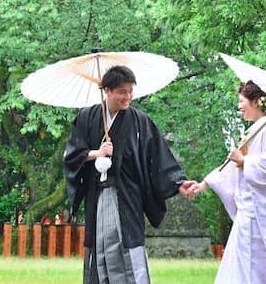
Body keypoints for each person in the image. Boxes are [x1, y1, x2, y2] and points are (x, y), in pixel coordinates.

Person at [63, 64, 193, 284]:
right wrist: (97, 153)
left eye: (130, 91)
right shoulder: (86, 117)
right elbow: (72, 156)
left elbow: (157, 156)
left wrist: (177, 183)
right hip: (98, 196)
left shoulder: (139, 121)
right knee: (99, 246)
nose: (128, 96)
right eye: (122, 92)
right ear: (108, 91)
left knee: (127, 245)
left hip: (127, 197)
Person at [185, 80, 266, 284]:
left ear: (257, 102)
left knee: (259, 268)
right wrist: (205, 183)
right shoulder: (257, 131)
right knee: (242, 267)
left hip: (260, 217)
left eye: (242, 101)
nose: (239, 106)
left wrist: (244, 160)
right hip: (250, 215)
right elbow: (232, 168)